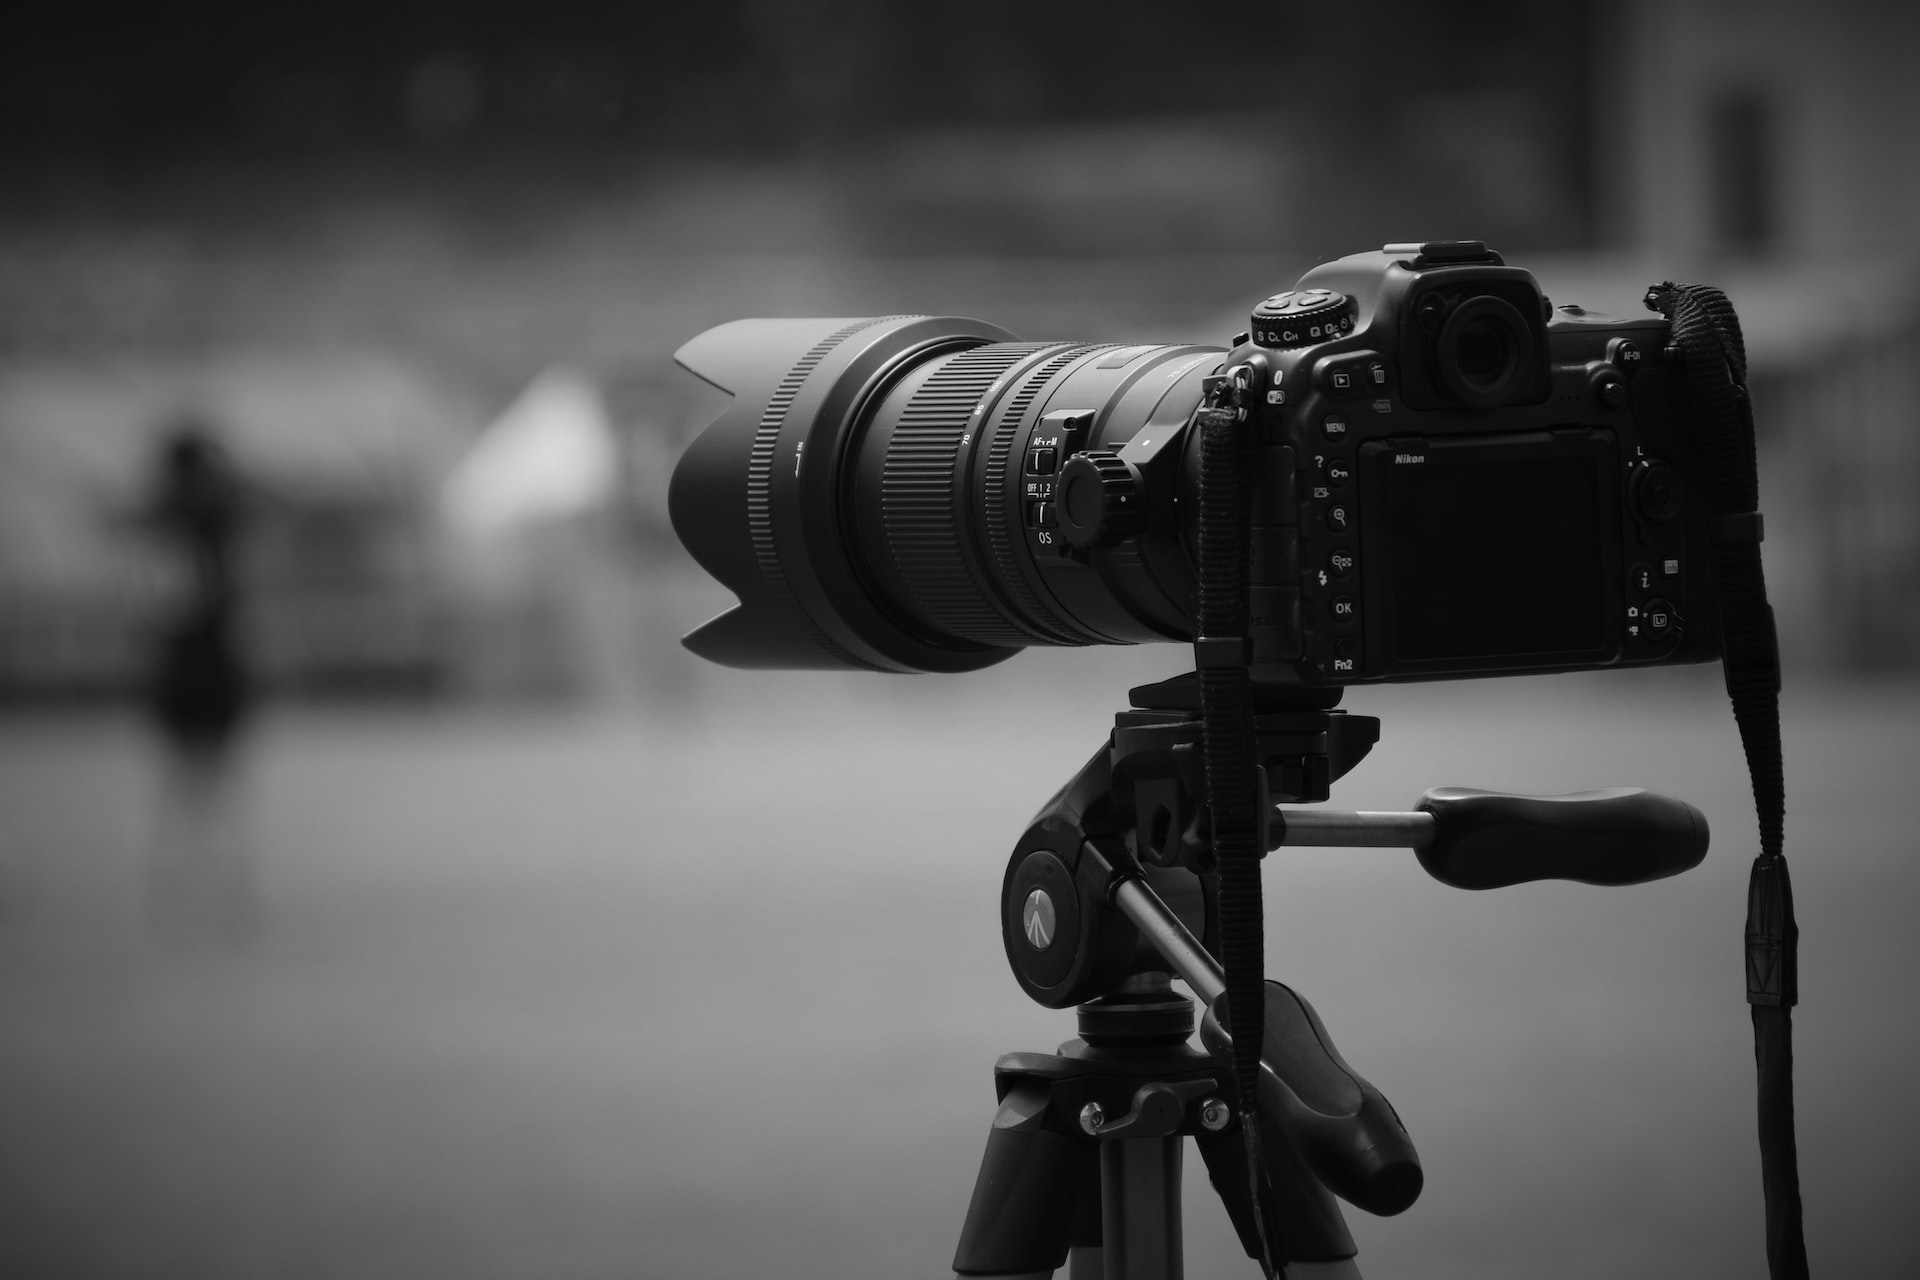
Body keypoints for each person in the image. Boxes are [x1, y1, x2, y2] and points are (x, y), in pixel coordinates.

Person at [139, 419, 256, 938]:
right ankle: (215, 888)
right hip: (210, 665)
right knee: (212, 782)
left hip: (182, 665)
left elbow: (159, 604)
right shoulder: (212, 517)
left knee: (184, 781)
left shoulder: (170, 521)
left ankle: (186, 886)